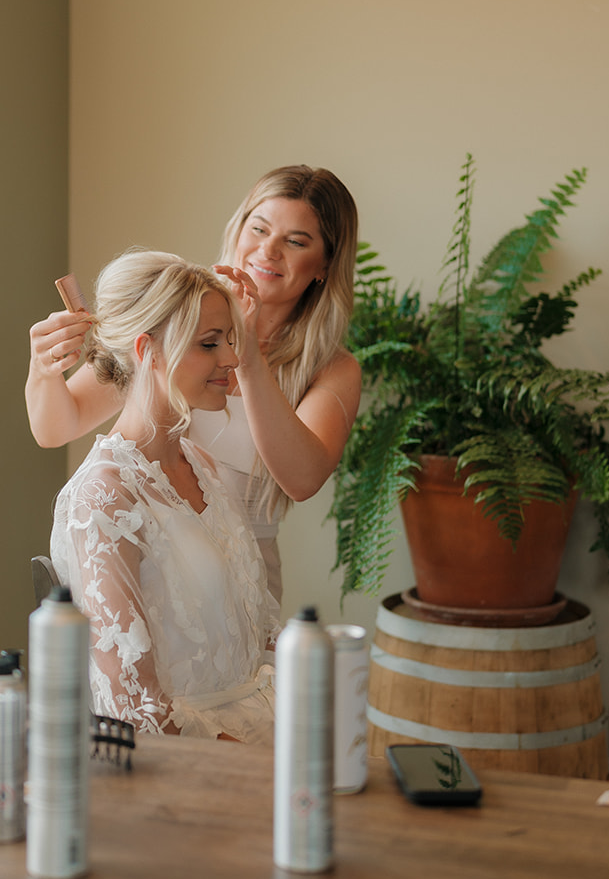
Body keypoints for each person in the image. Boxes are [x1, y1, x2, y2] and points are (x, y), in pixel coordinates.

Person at [27, 165, 361, 604]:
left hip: (241, 584)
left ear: (324, 264)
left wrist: (248, 353)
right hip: (148, 561)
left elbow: (302, 479)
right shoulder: (175, 317)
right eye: (257, 229)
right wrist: (44, 368)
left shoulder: (331, 368)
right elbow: (57, 427)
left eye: (296, 241)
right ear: (238, 228)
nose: (267, 250)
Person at [49, 251, 279, 741]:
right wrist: (257, 763)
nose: (232, 359)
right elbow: (135, 711)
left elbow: (255, 631)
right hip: (195, 768)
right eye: (209, 343)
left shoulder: (204, 467)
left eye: (231, 340)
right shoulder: (105, 499)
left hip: (269, 727)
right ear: (148, 350)